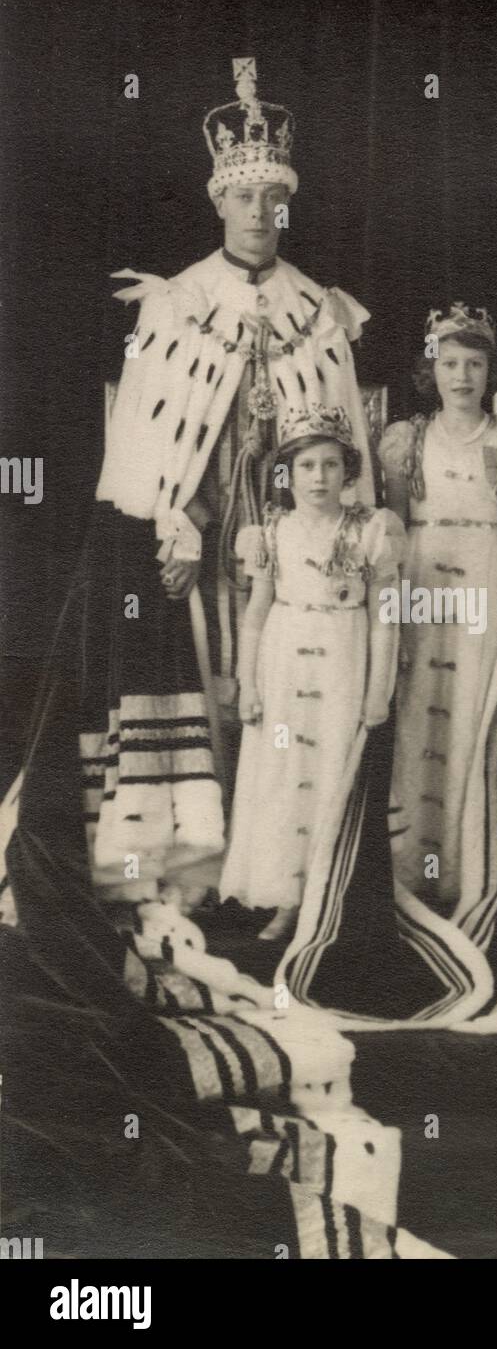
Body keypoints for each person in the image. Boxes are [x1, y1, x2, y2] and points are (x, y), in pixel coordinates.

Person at [82, 57, 374, 904]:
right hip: (201, 526)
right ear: (219, 202)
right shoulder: (173, 305)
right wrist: (172, 524)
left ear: (288, 205)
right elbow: (141, 449)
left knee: (284, 672)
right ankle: (199, 859)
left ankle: (281, 862)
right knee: (212, 665)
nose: (259, 212)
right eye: (244, 198)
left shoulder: (319, 310)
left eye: (272, 199)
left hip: (294, 535)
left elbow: (343, 445)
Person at [379, 304, 497, 913]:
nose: (462, 377)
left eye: (474, 364)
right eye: (450, 364)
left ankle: (470, 875)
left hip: (488, 577)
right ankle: (411, 877)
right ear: (433, 370)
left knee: (476, 720)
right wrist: (390, 617)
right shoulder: (406, 439)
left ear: (490, 370)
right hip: (424, 580)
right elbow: (392, 533)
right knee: (419, 720)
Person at [219, 405, 405, 940]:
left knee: (332, 775)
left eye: (330, 465)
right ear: (288, 473)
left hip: (342, 661)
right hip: (283, 660)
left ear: (348, 472)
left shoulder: (371, 530)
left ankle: (328, 895)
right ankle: (285, 895)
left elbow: (383, 618)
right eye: (306, 466)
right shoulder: (270, 534)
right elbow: (254, 616)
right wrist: (247, 684)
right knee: (282, 773)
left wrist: (378, 692)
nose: (319, 477)